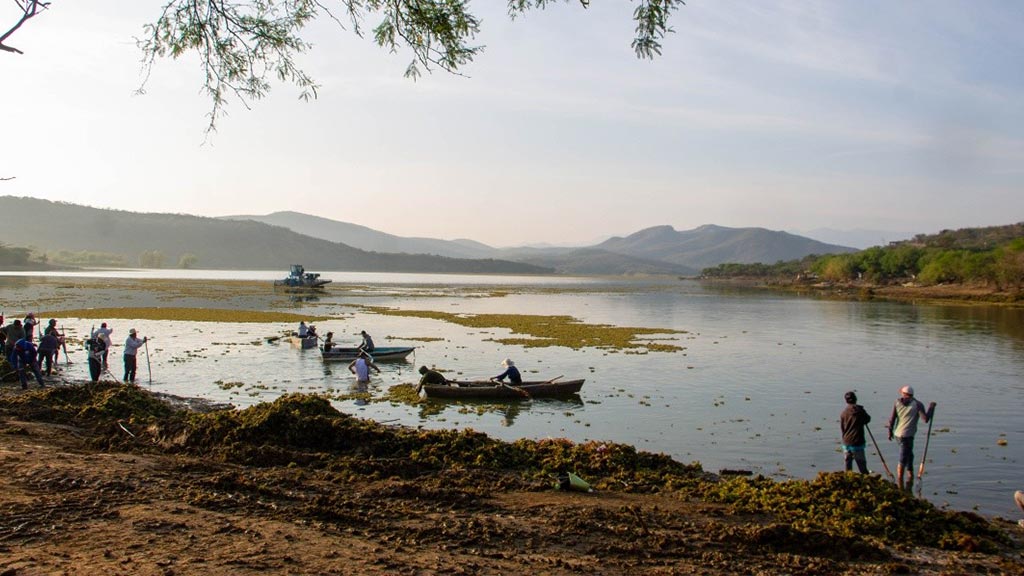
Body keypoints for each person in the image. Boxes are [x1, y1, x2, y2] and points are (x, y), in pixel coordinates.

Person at [887, 385, 934, 492]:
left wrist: (889, 432)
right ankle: (900, 482)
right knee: (904, 456)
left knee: (909, 454)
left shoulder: (897, 402)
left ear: (903, 394)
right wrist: (931, 407)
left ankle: (910, 476)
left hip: (898, 434)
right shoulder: (917, 404)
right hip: (907, 435)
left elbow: (892, 419)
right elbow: (925, 419)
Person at [839, 391, 871, 474]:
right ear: (855, 399)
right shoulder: (859, 411)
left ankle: (848, 483)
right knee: (862, 468)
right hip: (857, 442)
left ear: (846, 401)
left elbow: (842, 428)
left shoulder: (843, 413)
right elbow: (867, 419)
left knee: (848, 469)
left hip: (846, 442)